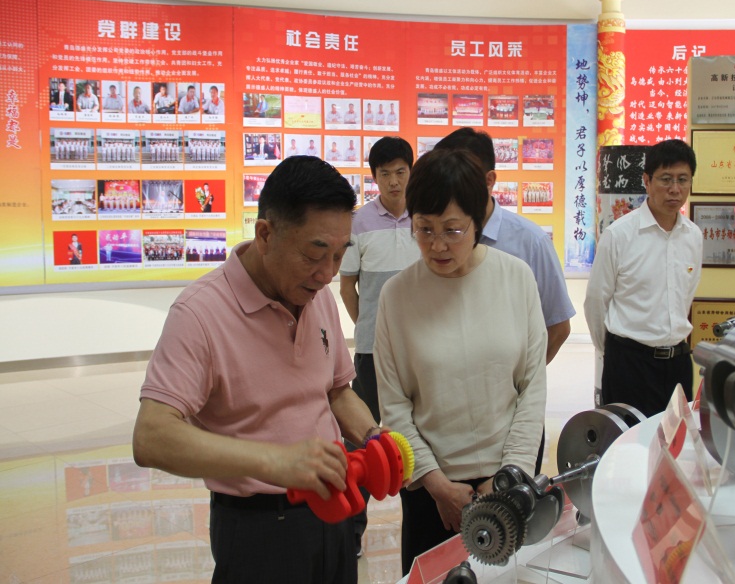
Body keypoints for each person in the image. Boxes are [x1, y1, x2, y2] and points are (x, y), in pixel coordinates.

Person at [132, 156, 381, 583]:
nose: (327, 274)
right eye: (314, 254)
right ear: (265, 234)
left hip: (334, 512)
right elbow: (151, 436)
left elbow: (338, 392)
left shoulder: (316, 295)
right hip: (259, 527)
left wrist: (375, 438)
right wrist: (275, 461)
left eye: (340, 256)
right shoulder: (200, 313)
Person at [375, 148, 547, 575]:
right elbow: (394, 405)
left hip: (506, 483)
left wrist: (510, 473)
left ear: (478, 222)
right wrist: (436, 485)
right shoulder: (397, 296)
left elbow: (532, 388)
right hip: (432, 491)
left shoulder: (516, 278)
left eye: (453, 230)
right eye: (424, 229)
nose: (437, 245)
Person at [433, 128, 574, 474]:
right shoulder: (431, 241)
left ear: (490, 180)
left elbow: (557, 327)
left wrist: (517, 384)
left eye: (464, 176)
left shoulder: (529, 242)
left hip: (512, 421)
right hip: (442, 422)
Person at [339, 137, 419, 554]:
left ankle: (421, 527)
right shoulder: (359, 222)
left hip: (420, 351)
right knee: (363, 439)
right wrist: (368, 328)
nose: (393, 181)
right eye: (384, 173)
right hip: (371, 352)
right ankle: (351, 529)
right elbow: (347, 286)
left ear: (411, 172)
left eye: (400, 171)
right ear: (374, 177)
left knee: (416, 437)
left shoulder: (424, 216)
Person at [584, 138, 703, 417]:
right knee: (629, 440)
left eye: (683, 179)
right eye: (666, 179)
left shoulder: (693, 236)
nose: (675, 189)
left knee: (674, 439)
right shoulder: (619, 235)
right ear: (647, 181)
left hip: (678, 364)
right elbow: (596, 301)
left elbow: (686, 297)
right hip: (629, 365)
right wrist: (613, 351)